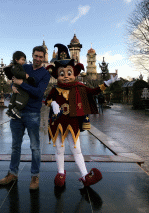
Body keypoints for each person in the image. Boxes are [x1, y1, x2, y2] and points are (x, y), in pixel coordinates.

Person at [44, 44, 119, 189]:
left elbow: (93, 91)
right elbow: (46, 100)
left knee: (76, 149)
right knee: (59, 149)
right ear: (57, 74)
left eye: (69, 72)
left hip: (72, 122)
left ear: (74, 73)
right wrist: (52, 103)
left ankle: (85, 175)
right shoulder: (55, 89)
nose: (65, 76)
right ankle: (60, 173)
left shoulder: (79, 87)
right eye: (62, 73)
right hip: (57, 122)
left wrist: (108, 82)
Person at [0, 46, 50, 190]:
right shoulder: (24, 67)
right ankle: (13, 173)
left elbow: (39, 93)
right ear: (32, 55)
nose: (38, 59)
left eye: (41, 57)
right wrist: (12, 86)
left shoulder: (45, 74)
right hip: (17, 111)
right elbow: (13, 78)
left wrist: (22, 84)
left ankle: (35, 175)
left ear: (44, 57)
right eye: (36, 56)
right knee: (15, 146)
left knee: (34, 146)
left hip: (32, 113)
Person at [3, 51, 36, 119]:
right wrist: (25, 76)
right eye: (22, 60)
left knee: (14, 96)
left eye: (24, 60)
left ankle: (10, 110)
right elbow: (17, 73)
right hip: (19, 85)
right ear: (16, 59)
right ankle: (16, 109)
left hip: (17, 84)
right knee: (24, 97)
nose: (24, 62)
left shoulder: (16, 66)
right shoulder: (16, 66)